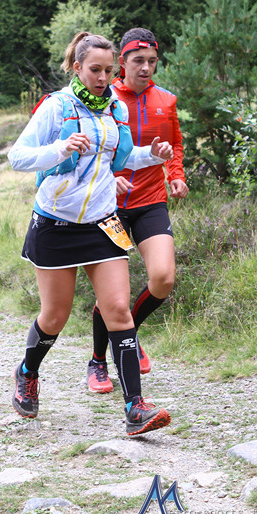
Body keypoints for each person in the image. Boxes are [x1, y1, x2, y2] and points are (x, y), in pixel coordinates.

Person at [7, 31, 174, 436]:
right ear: (77, 67)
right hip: (56, 225)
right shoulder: (57, 106)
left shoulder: (116, 108)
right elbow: (18, 157)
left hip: (102, 222)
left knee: (118, 310)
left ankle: (135, 407)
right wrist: (61, 148)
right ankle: (27, 372)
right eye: (94, 69)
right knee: (55, 317)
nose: (102, 78)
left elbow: (119, 156)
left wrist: (153, 155)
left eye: (108, 70)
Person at [85, 27, 188, 394]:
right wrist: (108, 177)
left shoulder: (166, 100)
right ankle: (98, 361)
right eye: (138, 60)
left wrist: (176, 175)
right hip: (107, 206)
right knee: (111, 296)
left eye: (152, 61)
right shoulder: (105, 99)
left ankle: (128, 332)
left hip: (150, 201)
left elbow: (174, 144)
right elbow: (92, 148)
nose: (146, 68)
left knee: (163, 278)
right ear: (122, 63)